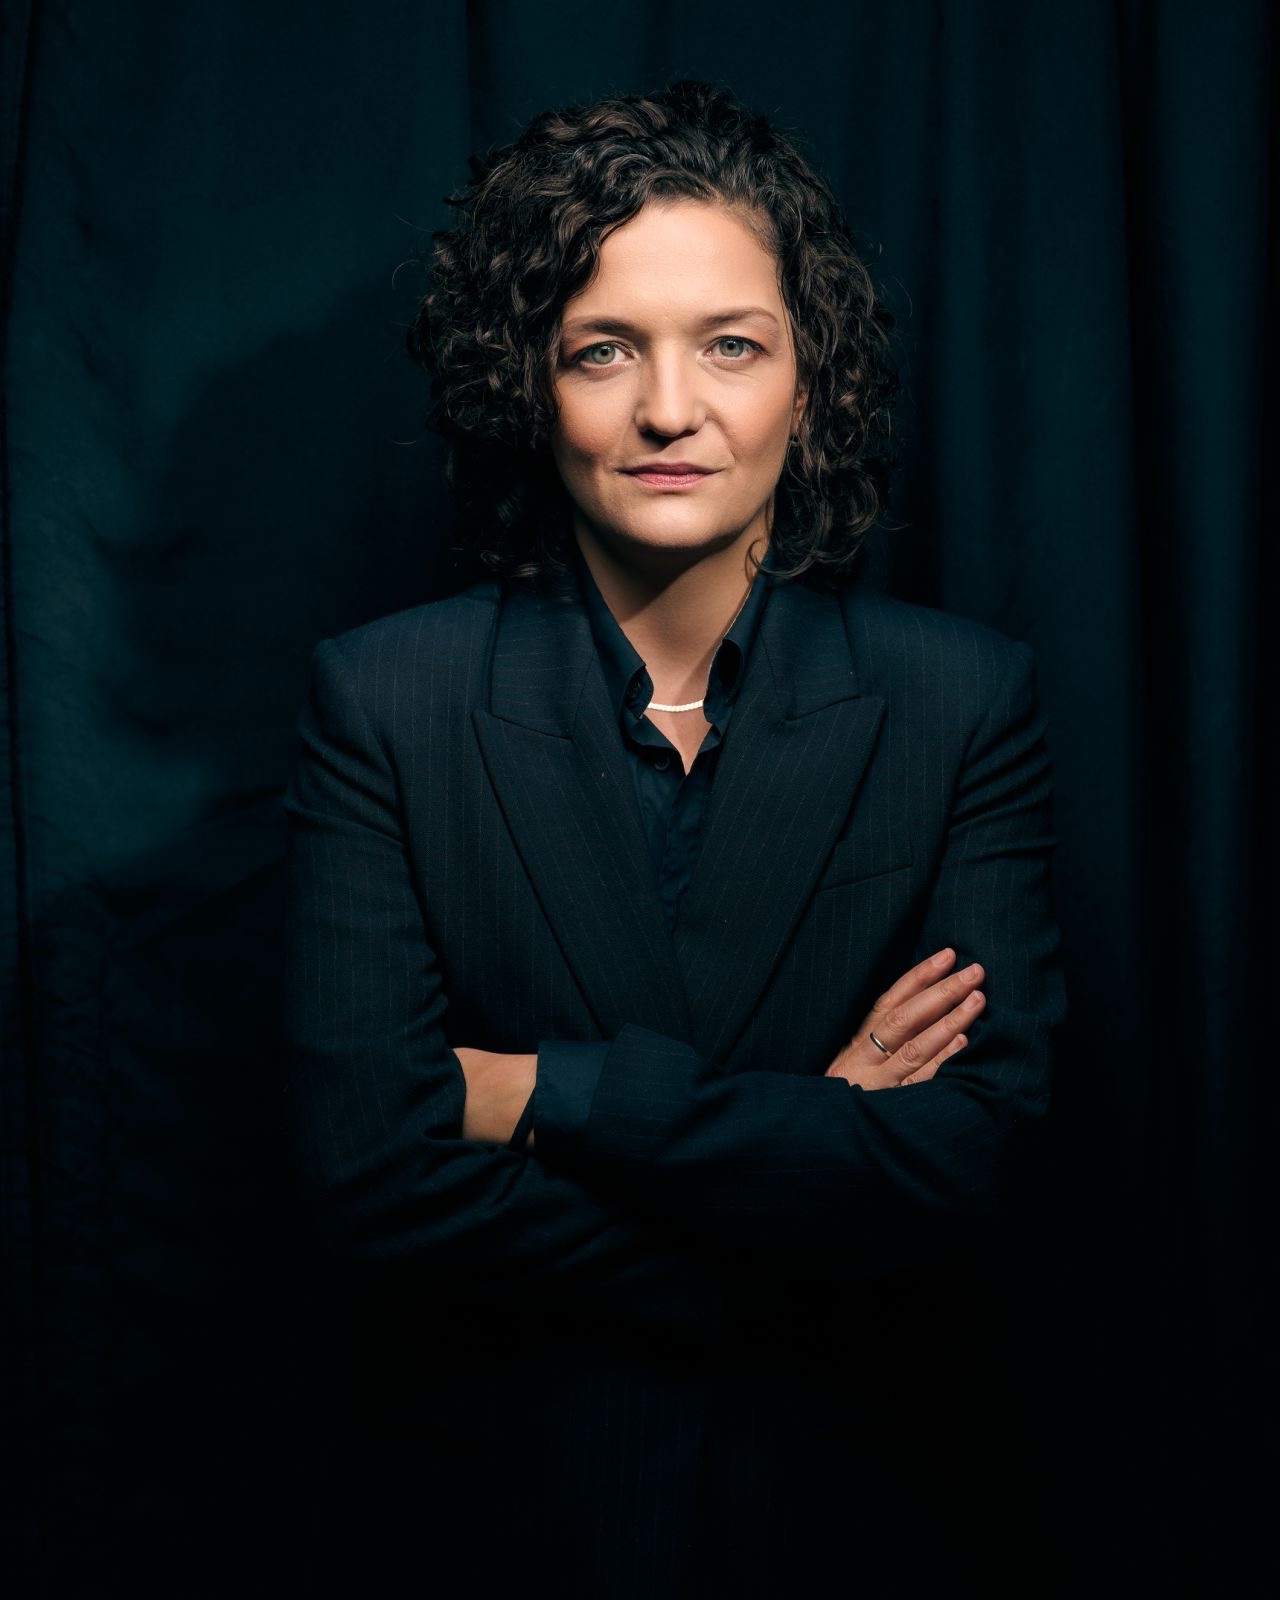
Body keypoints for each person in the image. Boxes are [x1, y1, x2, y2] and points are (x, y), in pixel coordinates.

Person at [282, 79, 1066, 1598]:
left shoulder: (962, 703)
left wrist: (546, 1089)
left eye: (730, 345)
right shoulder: (385, 700)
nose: (665, 408)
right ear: (530, 383)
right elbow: (367, 1176)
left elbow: (964, 1169)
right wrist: (815, 1136)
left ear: (811, 381)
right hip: (499, 1530)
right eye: (603, 348)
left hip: (851, 1525)